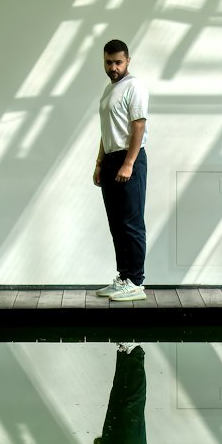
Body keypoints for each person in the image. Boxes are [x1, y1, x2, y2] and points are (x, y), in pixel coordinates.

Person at [93, 40, 148, 302]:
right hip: (111, 160)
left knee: (131, 223)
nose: (113, 67)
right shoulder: (109, 89)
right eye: (108, 62)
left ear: (128, 61)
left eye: (118, 62)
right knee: (117, 224)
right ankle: (124, 277)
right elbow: (106, 132)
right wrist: (99, 163)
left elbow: (138, 126)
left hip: (130, 160)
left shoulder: (134, 86)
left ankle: (136, 281)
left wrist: (128, 163)